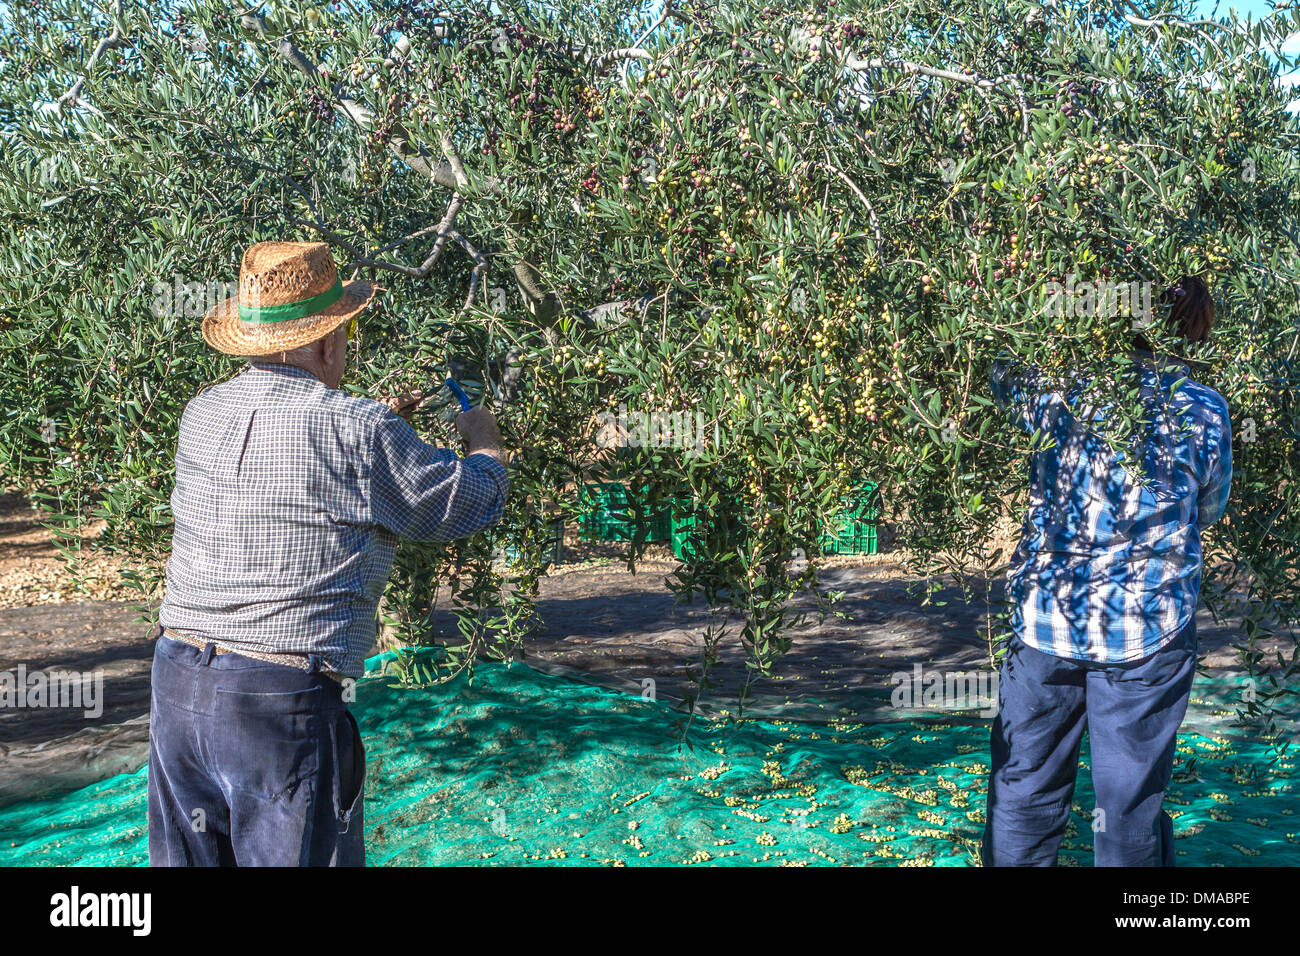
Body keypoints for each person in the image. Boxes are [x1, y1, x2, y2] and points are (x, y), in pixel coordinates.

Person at [148, 240, 509, 866]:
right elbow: (467, 502)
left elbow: (280, 486)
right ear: (323, 342)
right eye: (344, 329)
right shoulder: (362, 431)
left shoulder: (201, 413)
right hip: (278, 700)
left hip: (178, 682)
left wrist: (379, 434)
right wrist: (483, 438)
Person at [983, 275, 1232, 866]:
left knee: (1024, 788)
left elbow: (998, 362)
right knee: (1127, 807)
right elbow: (1210, 506)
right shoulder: (1202, 408)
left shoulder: (1050, 395)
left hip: (1048, 621)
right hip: (1150, 632)